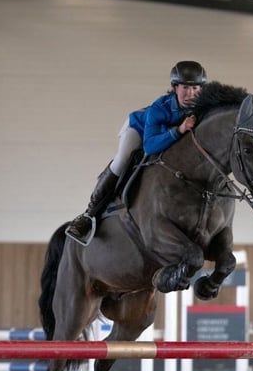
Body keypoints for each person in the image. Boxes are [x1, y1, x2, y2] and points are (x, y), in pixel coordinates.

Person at [66, 60, 207, 244]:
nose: (191, 94)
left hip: (167, 134)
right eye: (185, 88)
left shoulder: (204, 106)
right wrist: (179, 130)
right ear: (174, 87)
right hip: (139, 130)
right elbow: (150, 146)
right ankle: (88, 215)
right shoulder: (160, 108)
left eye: (196, 88)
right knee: (122, 160)